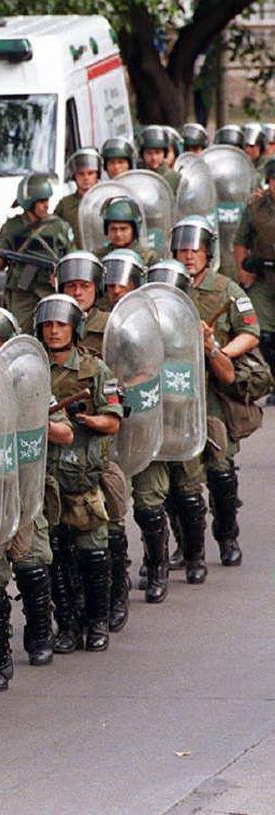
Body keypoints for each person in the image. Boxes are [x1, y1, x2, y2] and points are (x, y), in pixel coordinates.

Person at [0, 307, 73, 671]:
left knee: (33, 565)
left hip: (25, 492)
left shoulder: (30, 385)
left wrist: (33, 419)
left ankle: (40, 634)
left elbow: (64, 432)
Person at [173, 215, 261, 568]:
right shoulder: (165, 289)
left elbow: (250, 331)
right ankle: (185, 544)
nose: (188, 256)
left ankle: (227, 536)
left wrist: (220, 353)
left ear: (208, 253)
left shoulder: (226, 289)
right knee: (179, 476)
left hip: (213, 391)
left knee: (220, 470)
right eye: (181, 250)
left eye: (194, 250)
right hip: (176, 394)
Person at [37, 294, 123, 654]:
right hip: (44, 480)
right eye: (49, 325)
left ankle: (97, 621)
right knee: (54, 557)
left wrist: (90, 421)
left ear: (75, 328)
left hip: (84, 477)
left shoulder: (95, 369)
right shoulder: (31, 369)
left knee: (92, 554)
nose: (55, 331)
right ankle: (68, 624)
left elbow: (114, 420)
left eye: (62, 325)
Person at [58, 252, 133, 632]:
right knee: (62, 542)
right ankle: (72, 615)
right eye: (70, 286)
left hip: (108, 434)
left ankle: (113, 598)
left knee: (110, 523)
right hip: (59, 454)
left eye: (84, 286)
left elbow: (138, 366)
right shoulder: (45, 328)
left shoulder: (116, 324)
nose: (77, 292)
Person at [0, 173, 75, 331]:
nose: (46, 205)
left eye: (47, 201)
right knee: (20, 333)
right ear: (29, 203)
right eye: (41, 202)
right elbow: (1, 263)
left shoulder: (59, 227)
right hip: (22, 293)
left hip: (49, 290)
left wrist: (61, 277)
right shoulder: (12, 227)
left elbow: (72, 260)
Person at [234, 159, 275, 382]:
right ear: (269, 182)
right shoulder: (255, 207)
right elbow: (241, 240)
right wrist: (242, 269)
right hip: (262, 274)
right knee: (264, 333)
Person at [56, 149, 102, 248]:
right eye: (81, 174)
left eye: (90, 173)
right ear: (74, 176)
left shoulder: (106, 200)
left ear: (97, 175)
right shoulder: (65, 204)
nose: (86, 178)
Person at [95, 197, 158, 265]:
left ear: (134, 230)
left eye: (123, 229)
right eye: (113, 229)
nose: (118, 234)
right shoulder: (98, 256)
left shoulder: (148, 258)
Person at [139, 126, 181, 195]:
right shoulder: (138, 179)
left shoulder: (175, 178)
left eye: (157, 152)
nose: (153, 158)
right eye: (149, 153)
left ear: (165, 153)